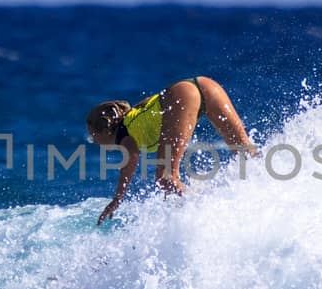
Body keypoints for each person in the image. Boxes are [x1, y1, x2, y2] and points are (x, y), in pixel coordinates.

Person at [86, 76, 259, 224]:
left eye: (93, 136)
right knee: (246, 153)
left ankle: (206, 218)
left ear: (104, 130)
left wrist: (117, 198)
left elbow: (131, 157)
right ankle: (269, 192)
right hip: (204, 85)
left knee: (166, 178)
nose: (94, 141)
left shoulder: (125, 131)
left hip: (182, 95)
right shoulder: (134, 119)